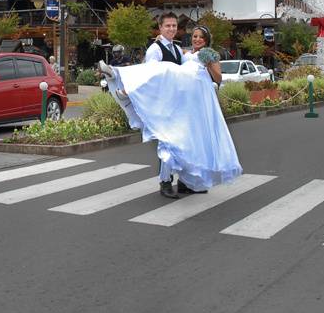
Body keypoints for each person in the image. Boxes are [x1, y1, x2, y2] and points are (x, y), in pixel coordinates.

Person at [100, 24, 241, 199]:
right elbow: (174, 48)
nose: (197, 39)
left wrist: (209, 62)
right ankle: (121, 80)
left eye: (200, 37)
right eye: (195, 36)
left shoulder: (210, 54)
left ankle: (187, 182)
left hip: (197, 93)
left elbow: (218, 78)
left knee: (193, 137)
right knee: (161, 69)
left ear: (206, 40)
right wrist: (161, 39)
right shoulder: (186, 53)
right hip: (183, 93)